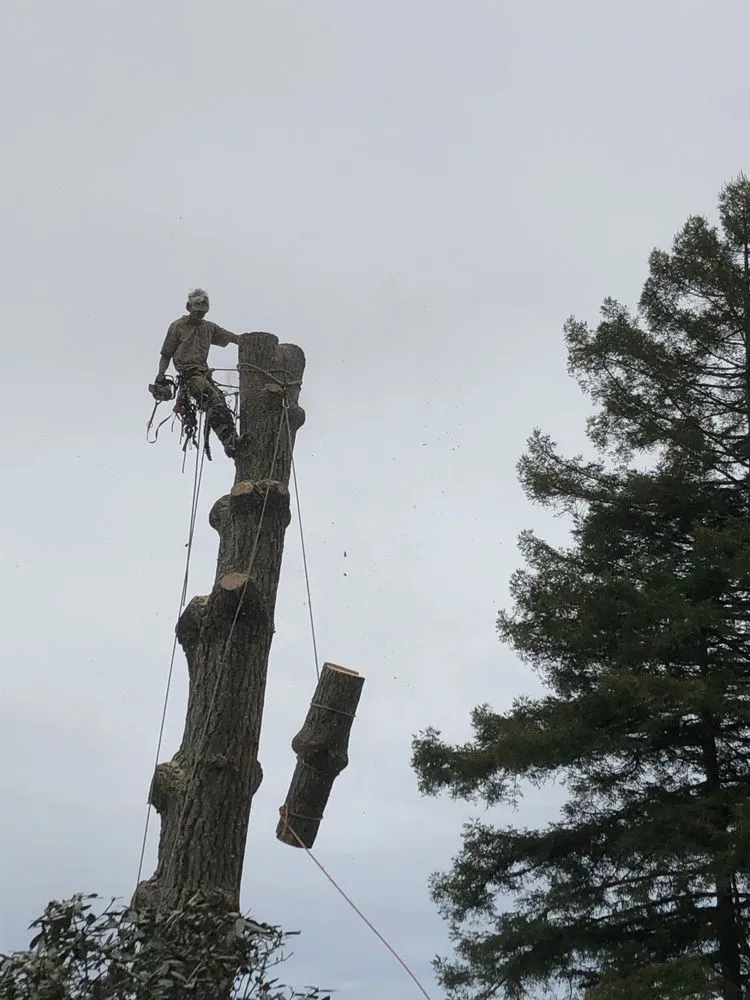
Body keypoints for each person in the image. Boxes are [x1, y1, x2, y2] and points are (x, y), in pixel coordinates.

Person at [154, 289, 240, 458]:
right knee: (212, 399)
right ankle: (229, 440)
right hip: (189, 375)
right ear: (189, 307)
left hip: (203, 374)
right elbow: (166, 354)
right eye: (197, 312)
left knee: (220, 401)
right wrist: (160, 374)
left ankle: (231, 440)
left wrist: (248, 341)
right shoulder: (178, 327)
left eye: (203, 312)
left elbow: (230, 337)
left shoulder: (209, 328)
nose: (200, 315)